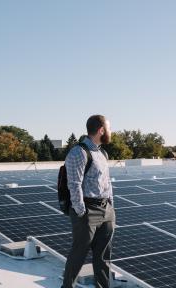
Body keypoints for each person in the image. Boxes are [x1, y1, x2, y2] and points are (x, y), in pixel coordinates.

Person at [62, 115, 115, 288]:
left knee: (103, 257)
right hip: (87, 211)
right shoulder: (79, 152)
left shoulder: (102, 153)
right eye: (109, 128)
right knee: (78, 254)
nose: (110, 132)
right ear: (101, 130)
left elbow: (106, 183)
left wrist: (111, 206)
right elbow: (74, 184)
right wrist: (81, 211)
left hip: (106, 210)